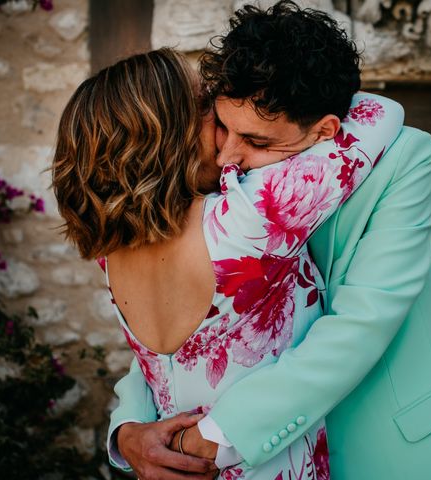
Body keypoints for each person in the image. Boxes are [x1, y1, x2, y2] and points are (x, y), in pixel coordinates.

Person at [108, 2, 431, 480]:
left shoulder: (401, 159)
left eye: (256, 141)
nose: (229, 155)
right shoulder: (221, 177)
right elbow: (187, 324)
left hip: (399, 449)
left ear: (326, 130)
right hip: (274, 459)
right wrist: (128, 428)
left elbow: (362, 322)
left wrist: (216, 435)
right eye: (224, 127)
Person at [52, 34, 404, 480]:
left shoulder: (111, 252)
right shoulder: (249, 218)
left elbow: (157, 367)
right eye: (207, 108)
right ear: (167, 138)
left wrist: (126, 432)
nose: (221, 113)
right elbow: (380, 113)